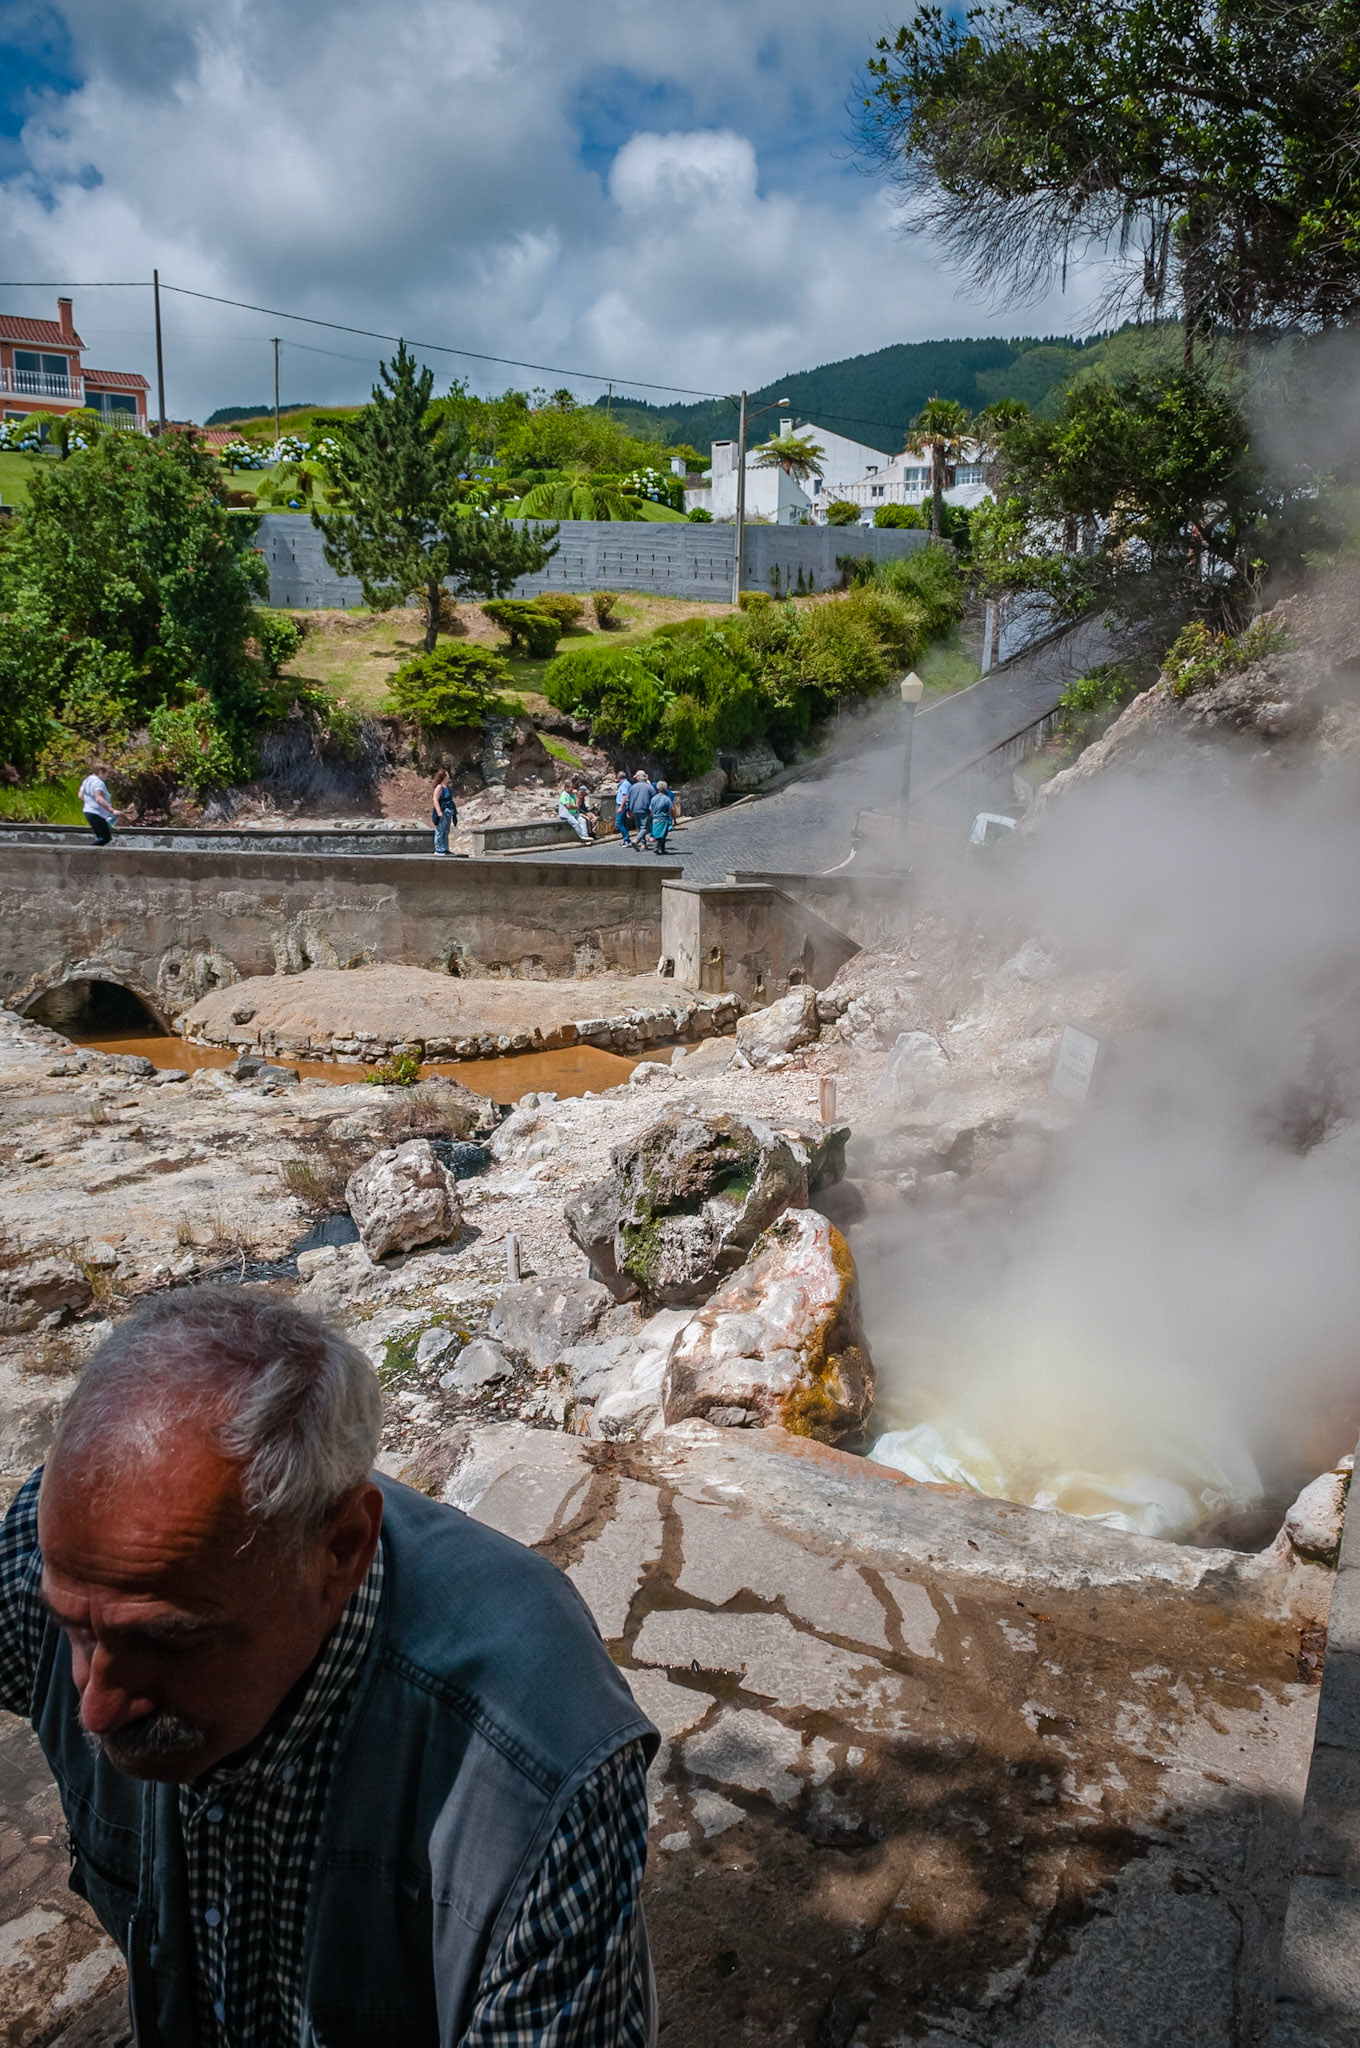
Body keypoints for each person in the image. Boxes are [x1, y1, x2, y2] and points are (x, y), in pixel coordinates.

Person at [0, 1289, 658, 2046]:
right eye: (73, 1629)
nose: (97, 1709)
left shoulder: (542, 1766)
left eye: (169, 1643)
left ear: (341, 1551)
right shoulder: (61, 1557)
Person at [78, 769, 120, 846]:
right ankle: (85, 852)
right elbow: (99, 799)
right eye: (107, 773)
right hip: (96, 813)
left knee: (101, 837)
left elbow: (80, 795)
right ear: (100, 771)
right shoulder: (99, 783)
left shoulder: (87, 780)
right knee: (106, 838)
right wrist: (112, 811)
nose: (107, 776)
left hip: (88, 811)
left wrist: (90, 803)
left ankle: (93, 854)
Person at [626, 769, 655, 848]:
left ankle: (643, 844)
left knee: (639, 827)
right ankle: (637, 839)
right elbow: (653, 800)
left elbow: (628, 799)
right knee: (646, 827)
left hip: (635, 810)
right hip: (645, 809)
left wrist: (628, 810)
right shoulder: (650, 787)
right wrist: (653, 810)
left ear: (639, 777)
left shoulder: (633, 787)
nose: (635, 778)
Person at [431, 769, 456, 855]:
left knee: (446, 830)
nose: (449, 777)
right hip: (442, 810)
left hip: (448, 811)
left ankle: (445, 848)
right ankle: (439, 848)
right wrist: (439, 812)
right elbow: (435, 799)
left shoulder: (447, 788)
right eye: (447, 775)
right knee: (440, 829)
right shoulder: (439, 787)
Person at [648, 778, 676, 854]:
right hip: (664, 818)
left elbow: (651, 809)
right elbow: (671, 810)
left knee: (660, 834)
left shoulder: (654, 799)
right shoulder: (667, 799)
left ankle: (663, 849)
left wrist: (653, 817)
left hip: (655, 818)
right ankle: (656, 847)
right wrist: (674, 819)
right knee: (662, 834)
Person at [614, 772, 633, 847]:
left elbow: (625, 796)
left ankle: (626, 839)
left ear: (619, 777)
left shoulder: (625, 784)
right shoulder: (625, 784)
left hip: (622, 805)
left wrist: (621, 807)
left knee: (618, 823)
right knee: (624, 823)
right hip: (623, 805)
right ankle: (627, 840)